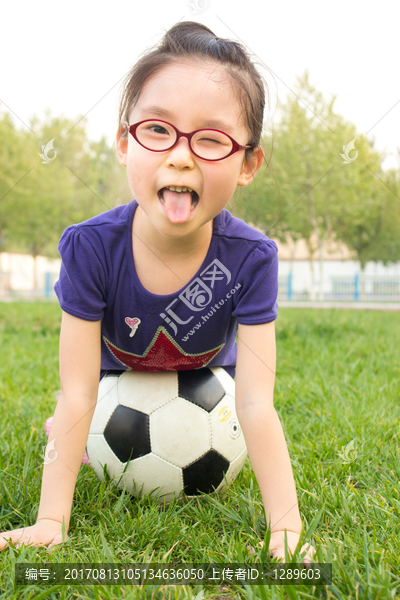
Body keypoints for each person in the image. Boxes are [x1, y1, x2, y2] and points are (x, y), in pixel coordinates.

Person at [0, 21, 315, 562]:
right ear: (126, 143)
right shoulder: (90, 247)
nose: (181, 156)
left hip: (204, 372)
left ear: (248, 164)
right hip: (114, 374)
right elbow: (76, 389)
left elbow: (257, 401)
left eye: (212, 139)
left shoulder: (251, 258)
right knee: (75, 413)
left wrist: (285, 527)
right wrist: (50, 520)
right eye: (158, 131)